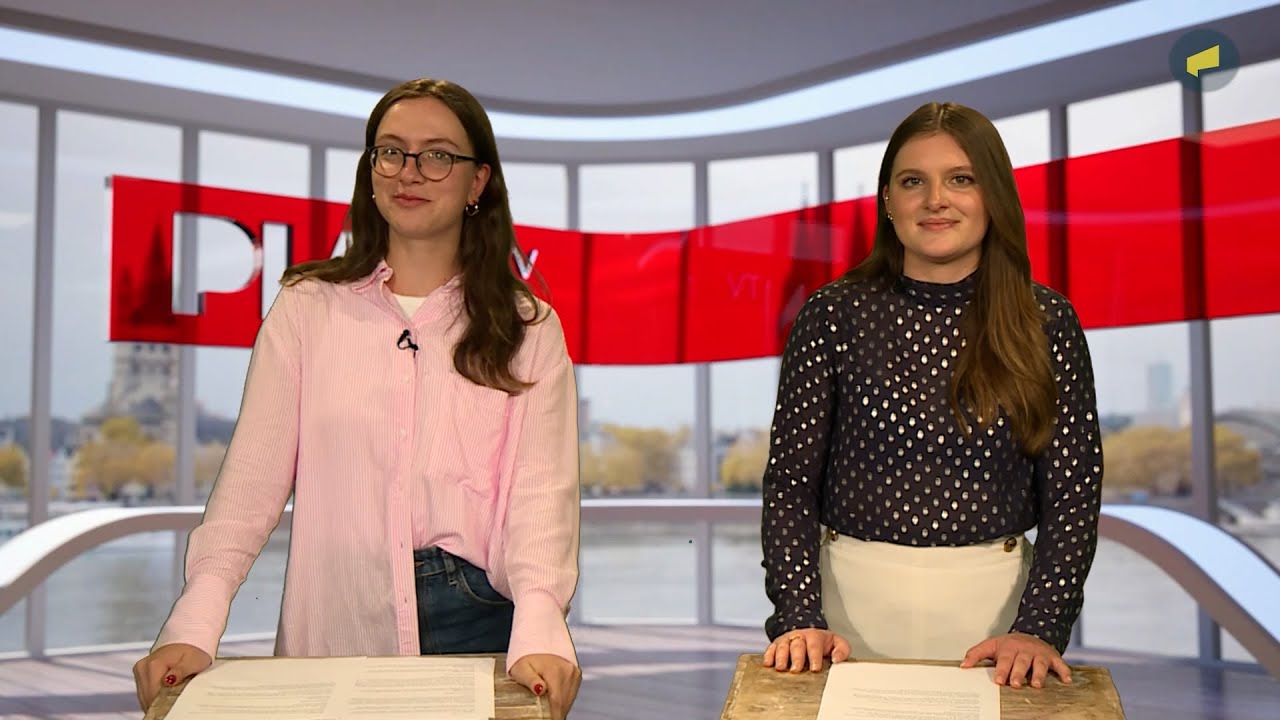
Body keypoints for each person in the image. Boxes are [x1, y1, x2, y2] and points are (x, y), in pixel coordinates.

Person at [133, 78, 582, 719]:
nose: (410, 171)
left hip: (478, 615)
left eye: (437, 155)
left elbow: (540, 495)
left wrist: (541, 621)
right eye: (391, 151)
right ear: (371, 170)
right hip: (334, 614)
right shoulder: (306, 308)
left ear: (477, 181)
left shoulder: (528, 326)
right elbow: (250, 483)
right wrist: (195, 620)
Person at [759, 101, 1103, 690]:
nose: (935, 200)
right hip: (840, 621)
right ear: (888, 201)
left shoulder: (1046, 321)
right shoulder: (832, 315)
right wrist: (797, 617)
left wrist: (1040, 628)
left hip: (1002, 628)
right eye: (913, 181)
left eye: (961, 179)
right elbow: (790, 483)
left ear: (993, 196)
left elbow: (1073, 495)